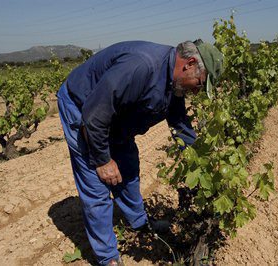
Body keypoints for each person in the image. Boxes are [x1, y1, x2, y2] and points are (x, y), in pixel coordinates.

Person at [57, 39, 223, 266]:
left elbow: (179, 123)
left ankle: (139, 222)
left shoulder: (174, 81)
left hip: (116, 118)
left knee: (128, 167)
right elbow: (95, 114)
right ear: (189, 63)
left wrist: (202, 163)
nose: (196, 91)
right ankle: (108, 257)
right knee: (97, 183)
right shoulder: (141, 66)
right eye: (199, 83)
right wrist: (103, 160)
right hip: (84, 109)